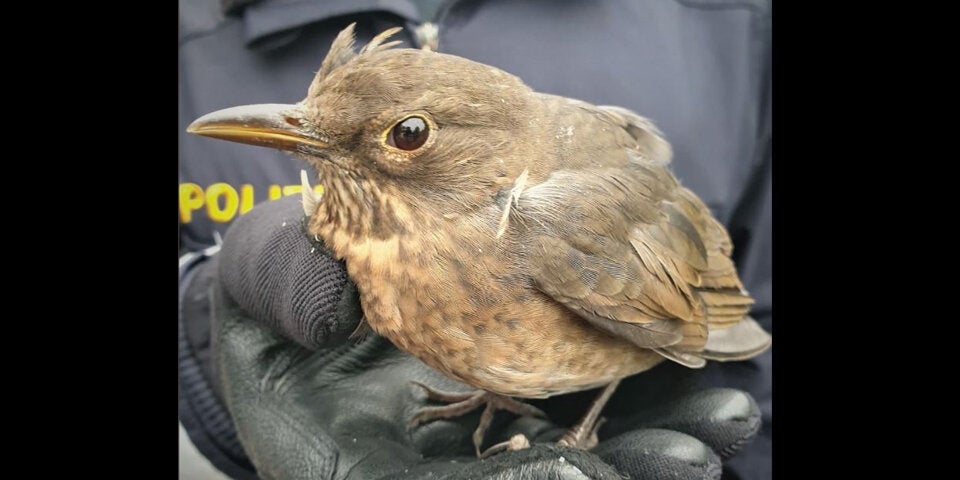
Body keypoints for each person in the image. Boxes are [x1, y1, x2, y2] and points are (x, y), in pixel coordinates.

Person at [178, 1, 771, 479]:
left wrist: (581, 436)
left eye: (407, 135)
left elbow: (709, 306)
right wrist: (200, 341)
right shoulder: (196, 42)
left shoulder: (560, 224)